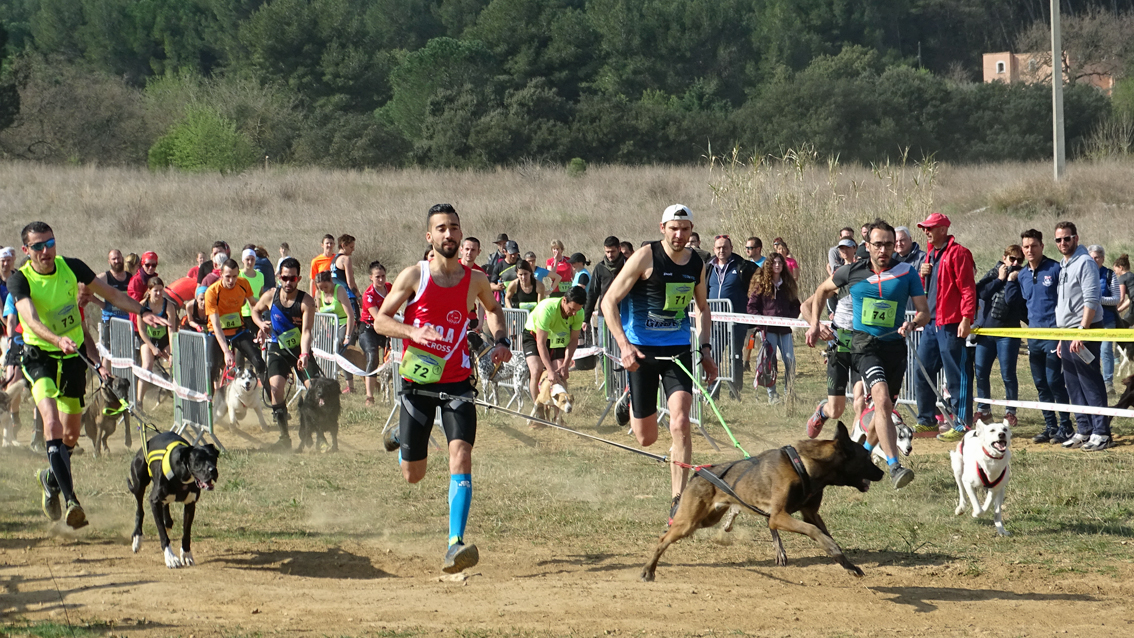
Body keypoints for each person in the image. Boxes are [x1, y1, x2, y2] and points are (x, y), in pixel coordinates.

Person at [374, 203, 512, 574]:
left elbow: (494, 311)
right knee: (413, 475)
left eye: (454, 227)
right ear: (429, 237)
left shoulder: (476, 279)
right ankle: (402, 437)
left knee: (461, 456)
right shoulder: (413, 276)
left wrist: (500, 339)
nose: (448, 234)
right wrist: (412, 332)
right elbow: (380, 321)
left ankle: (455, 544)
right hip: (417, 384)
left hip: (457, 383)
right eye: (441, 228)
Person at [13, 221, 168, 529]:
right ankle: (72, 502)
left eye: (50, 243)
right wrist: (56, 340)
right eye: (38, 246)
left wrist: (141, 311)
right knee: (52, 424)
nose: (46, 251)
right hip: (40, 357)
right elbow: (29, 318)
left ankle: (49, 478)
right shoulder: (21, 280)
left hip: (73, 357)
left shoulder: (71, 267)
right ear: (26, 250)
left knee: (71, 435)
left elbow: (110, 293)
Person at [600, 204, 718, 524]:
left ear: (692, 229)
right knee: (646, 438)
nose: (680, 235)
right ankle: (630, 395)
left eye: (685, 229)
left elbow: (703, 308)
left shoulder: (697, 263)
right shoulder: (645, 257)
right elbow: (608, 301)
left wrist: (705, 349)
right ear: (662, 228)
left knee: (680, 423)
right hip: (641, 353)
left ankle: (678, 502)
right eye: (674, 228)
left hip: (678, 352)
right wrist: (623, 346)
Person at [805, 219, 928, 489]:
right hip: (858, 343)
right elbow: (820, 292)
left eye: (888, 244)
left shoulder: (907, 272)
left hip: (894, 346)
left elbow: (924, 312)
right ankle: (894, 467)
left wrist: (913, 323)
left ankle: (861, 459)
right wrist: (815, 324)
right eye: (877, 244)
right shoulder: (851, 271)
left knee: (884, 409)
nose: (883, 250)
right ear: (867, 245)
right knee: (875, 400)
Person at [914, 212, 977, 442]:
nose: (926, 232)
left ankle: (962, 424)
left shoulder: (959, 253)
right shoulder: (930, 255)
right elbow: (927, 291)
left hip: (951, 322)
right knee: (921, 369)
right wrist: (922, 276)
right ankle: (926, 420)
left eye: (930, 228)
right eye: (924, 228)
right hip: (932, 322)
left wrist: (966, 318)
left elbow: (968, 288)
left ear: (943, 229)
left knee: (957, 375)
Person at [251, 257, 320, 450]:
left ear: (298, 278)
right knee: (275, 388)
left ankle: (311, 431)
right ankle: (284, 437)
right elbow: (255, 311)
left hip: (299, 351)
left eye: (293, 278)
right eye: (284, 278)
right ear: (279, 277)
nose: (288, 282)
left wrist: (305, 354)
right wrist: (260, 324)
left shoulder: (306, 301)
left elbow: (306, 331)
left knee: (315, 390)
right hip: (277, 349)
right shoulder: (270, 295)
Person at [1055, 222, 1109, 451]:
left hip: (1084, 330)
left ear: (1076, 238)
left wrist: (1082, 331)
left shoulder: (1085, 262)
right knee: (1072, 383)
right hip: (1067, 332)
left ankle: (1102, 432)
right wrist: (1062, 337)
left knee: (1089, 380)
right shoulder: (1064, 263)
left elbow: (1091, 299)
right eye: (1058, 240)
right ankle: (1084, 429)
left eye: (1067, 238)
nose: (1063, 243)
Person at [1018, 229, 1075, 443]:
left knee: (1054, 381)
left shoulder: (1055, 268)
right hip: (1034, 337)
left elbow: (1065, 301)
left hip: (1054, 334)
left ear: (1042, 246)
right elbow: (1024, 305)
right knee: (1040, 382)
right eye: (1026, 246)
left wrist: (1062, 335)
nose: (1030, 250)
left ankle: (1066, 426)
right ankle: (1050, 425)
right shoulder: (1023, 275)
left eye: (1034, 245)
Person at [804, 238, 864, 438]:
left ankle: (857, 453)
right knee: (836, 410)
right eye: (842, 249)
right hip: (840, 341)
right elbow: (805, 306)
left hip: (862, 343)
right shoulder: (840, 278)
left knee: (860, 401)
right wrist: (817, 325)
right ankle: (823, 410)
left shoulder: (875, 280)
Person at [973, 245, 1027, 428]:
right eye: (1012, 259)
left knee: (1008, 374)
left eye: (1020, 260)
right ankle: (984, 410)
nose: (1016, 263)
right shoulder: (995, 272)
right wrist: (999, 279)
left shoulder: (1023, 277)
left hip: (1008, 333)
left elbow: (1013, 300)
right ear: (1004, 258)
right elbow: (980, 292)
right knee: (981, 372)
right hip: (987, 332)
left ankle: (1010, 412)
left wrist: (1012, 280)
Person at [522, 287, 586, 425]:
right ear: (564, 300)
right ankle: (539, 413)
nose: (574, 313)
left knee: (561, 375)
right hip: (534, 335)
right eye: (572, 309)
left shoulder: (578, 312)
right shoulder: (548, 309)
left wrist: (565, 365)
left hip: (557, 337)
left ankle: (558, 418)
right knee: (537, 370)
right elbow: (540, 343)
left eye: (577, 310)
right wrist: (549, 371)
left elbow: (574, 340)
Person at [707, 234, 757, 399]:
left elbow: (757, 287)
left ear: (731, 248)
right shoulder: (708, 267)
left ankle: (735, 391)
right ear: (714, 249)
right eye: (719, 247)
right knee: (714, 356)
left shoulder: (742, 266)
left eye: (725, 247)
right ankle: (712, 392)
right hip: (715, 321)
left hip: (736, 320)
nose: (722, 250)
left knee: (735, 355)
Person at [205, 259, 267, 392]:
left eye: (234, 276)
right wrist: (226, 352)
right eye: (227, 277)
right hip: (217, 333)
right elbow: (216, 324)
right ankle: (208, 404)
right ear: (221, 274)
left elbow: (253, 306)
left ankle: (275, 406)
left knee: (259, 361)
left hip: (238, 331)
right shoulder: (212, 292)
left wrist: (261, 323)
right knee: (211, 368)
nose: (231, 281)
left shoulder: (243, 284)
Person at [746, 253, 800, 404]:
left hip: (784, 330)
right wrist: (761, 323)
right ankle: (773, 395)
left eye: (780, 263)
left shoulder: (787, 286)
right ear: (769, 265)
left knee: (790, 360)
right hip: (768, 330)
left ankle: (789, 393)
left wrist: (790, 317)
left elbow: (796, 305)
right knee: (769, 362)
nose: (777, 265)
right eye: (774, 263)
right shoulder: (761, 285)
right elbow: (751, 307)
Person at [135, 277, 179, 410]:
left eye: (161, 290)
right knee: (147, 366)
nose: (159, 294)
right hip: (148, 340)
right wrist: (152, 348)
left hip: (164, 340)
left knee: (177, 363)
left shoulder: (168, 305)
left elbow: (171, 331)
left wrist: (171, 353)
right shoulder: (142, 305)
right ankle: (139, 402)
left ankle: (179, 400)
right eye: (156, 291)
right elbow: (141, 331)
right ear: (149, 291)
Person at [1088, 245, 1123, 394]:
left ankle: (1108, 383)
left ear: (1102, 258)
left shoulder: (1109, 274)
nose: (1094, 260)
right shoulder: (1084, 273)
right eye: (1092, 257)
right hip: (1087, 321)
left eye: (1097, 257)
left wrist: (1098, 300)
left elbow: (1117, 298)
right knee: (1088, 352)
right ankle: (1091, 381)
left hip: (1107, 320)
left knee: (1105, 350)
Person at [315, 270, 357, 394]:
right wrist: (326, 329)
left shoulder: (339, 290)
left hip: (344, 323)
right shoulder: (319, 293)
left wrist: (347, 336)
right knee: (322, 348)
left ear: (331, 281)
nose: (324, 290)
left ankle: (350, 386)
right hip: (329, 325)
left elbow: (350, 315)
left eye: (325, 286)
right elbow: (320, 314)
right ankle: (326, 381)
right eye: (320, 288)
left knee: (339, 349)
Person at [359, 261, 392, 407]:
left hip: (386, 327)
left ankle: (391, 392)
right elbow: (378, 317)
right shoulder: (368, 295)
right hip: (369, 329)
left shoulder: (390, 288)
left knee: (392, 357)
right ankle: (369, 397)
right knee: (372, 357)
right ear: (370, 277)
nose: (381, 279)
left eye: (383, 276)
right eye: (377, 277)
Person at [95, 249, 131, 367]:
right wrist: (101, 304)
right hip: (110, 320)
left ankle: (128, 381)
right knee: (108, 353)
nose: (117, 261)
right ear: (109, 261)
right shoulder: (105, 277)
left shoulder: (131, 278)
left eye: (118, 258)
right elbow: (86, 289)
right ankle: (107, 382)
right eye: (113, 259)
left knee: (129, 352)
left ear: (122, 259)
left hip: (128, 321)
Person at [583, 236, 625, 334]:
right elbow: (592, 293)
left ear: (619, 249)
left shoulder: (628, 264)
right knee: (604, 346)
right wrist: (586, 318)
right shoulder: (600, 268)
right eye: (607, 252)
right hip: (605, 314)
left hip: (625, 314)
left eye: (612, 251)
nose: (610, 255)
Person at [331, 234, 361, 322]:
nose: (353, 249)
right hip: (349, 297)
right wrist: (359, 297)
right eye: (351, 247)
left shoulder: (333, 260)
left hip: (337, 297)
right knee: (354, 325)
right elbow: (350, 282)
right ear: (343, 245)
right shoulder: (346, 259)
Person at [239, 248, 267, 335]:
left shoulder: (260, 275)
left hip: (256, 312)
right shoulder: (238, 275)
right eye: (247, 259)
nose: (250, 262)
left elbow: (261, 294)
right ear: (243, 260)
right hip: (242, 314)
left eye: (252, 259)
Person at [1115, 254, 1133, 329]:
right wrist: (1118, 310)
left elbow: (1121, 298)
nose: (1115, 273)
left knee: (1121, 326)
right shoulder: (1132, 276)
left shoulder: (1122, 278)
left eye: (1115, 270)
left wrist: (1114, 311)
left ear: (1120, 268)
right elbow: (1130, 300)